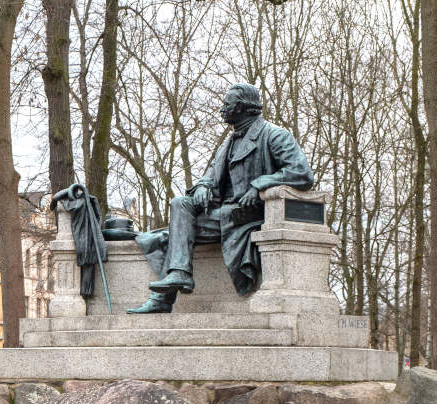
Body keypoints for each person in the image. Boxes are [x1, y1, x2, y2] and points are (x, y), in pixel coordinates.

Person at [127, 83, 314, 314]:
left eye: (228, 104)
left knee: (171, 235)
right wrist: (204, 186)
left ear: (243, 107)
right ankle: (179, 274)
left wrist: (260, 184)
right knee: (179, 205)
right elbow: (210, 175)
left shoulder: (274, 135)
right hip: (224, 214)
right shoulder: (228, 143)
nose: (222, 109)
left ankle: (162, 299)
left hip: (249, 216)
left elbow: (302, 172)